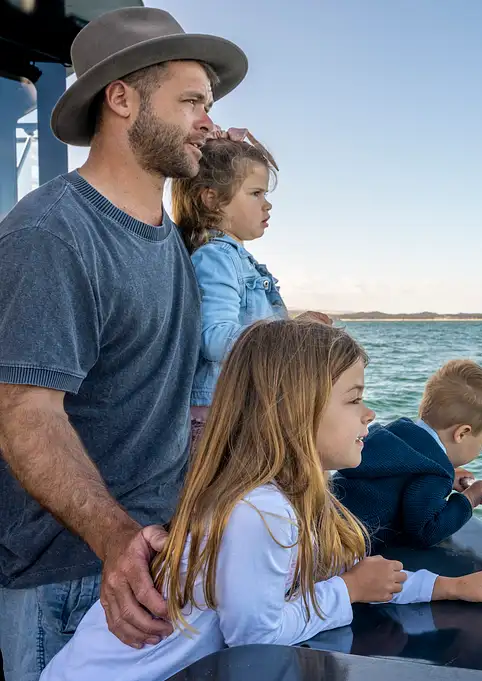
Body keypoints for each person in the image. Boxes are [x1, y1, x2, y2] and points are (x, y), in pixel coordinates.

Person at [41, 320, 482, 681]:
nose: (370, 414)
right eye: (353, 400)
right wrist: (348, 590)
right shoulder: (260, 510)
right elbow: (255, 637)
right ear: (294, 411)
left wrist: (443, 588)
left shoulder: (295, 497)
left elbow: (337, 578)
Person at [0, 7, 248, 679]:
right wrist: (116, 543)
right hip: (78, 579)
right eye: (191, 100)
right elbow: (26, 415)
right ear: (121, 98)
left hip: (160, 560)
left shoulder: (170, 237)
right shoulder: (53, 234)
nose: (209, 118)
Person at [170, 134, 331, 447]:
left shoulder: (235, 258)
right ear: (211, 199)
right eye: (255, 193)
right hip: (221, 415)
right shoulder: (217, 257)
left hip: (236, 410)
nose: (267, 203)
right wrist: (291, 334)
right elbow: (215, 339)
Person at [332, 359, 482, 551]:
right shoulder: (435, 471)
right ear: (462, 433)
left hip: (323, 520)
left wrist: (450, 476)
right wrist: (468, 500)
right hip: (341, 547)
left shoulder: (394, 432)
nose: (481, 449)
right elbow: (426, 530)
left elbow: (399, 475)